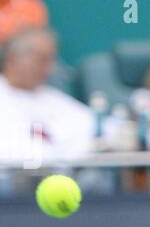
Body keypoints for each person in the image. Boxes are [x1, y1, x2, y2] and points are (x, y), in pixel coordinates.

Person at [0, 27, 96, 166]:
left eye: (51, 60)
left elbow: (95, 129)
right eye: (41, 60)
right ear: (13, 59)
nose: (49, 69)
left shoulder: (58, 101)